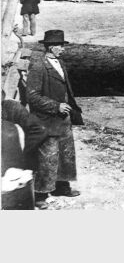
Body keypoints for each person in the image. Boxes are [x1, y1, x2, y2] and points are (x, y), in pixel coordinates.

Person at [27, 30, 83, 207]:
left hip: (63, 118)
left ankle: (62, 186)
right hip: (47, 119)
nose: (63, 49)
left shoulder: (60, 63)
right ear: (51, 47)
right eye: (60, 46)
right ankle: (41, 194)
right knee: (48, 156)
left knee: (66, 154)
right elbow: (32, 96)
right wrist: (55, 106)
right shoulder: (39, 66)